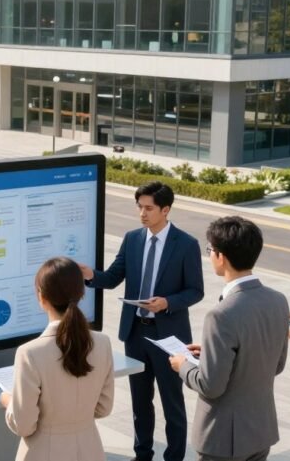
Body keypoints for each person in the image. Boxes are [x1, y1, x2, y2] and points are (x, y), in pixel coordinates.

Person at [80, 181, 203, 461]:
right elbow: (112, 277)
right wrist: (90, 275)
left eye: (149, 208)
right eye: (139, 207)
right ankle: (142, 454)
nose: (142, 214)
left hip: (169, 337)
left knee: (173, 403)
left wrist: (167, 303)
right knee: (140, 401)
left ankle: (174, 457)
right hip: (136, 333)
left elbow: (196, 290)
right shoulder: (133, 239)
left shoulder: (186, 244)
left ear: (165, 210)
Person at [169, 216, 289, 461]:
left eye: (210, 250)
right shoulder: (278, 300)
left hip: (223, 438)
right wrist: (215, 353)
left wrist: (183, 367)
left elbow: (210, 386)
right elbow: (275, 363)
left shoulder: (221, 315)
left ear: (221, 257)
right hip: (260, 430)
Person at [3, 257, 114, 461]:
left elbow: (24, 424)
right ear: (81, 293)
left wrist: (10, 402)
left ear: (41, 297)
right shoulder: (103, 343)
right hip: (90, 450)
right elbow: (103, 407)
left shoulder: (30, 353)